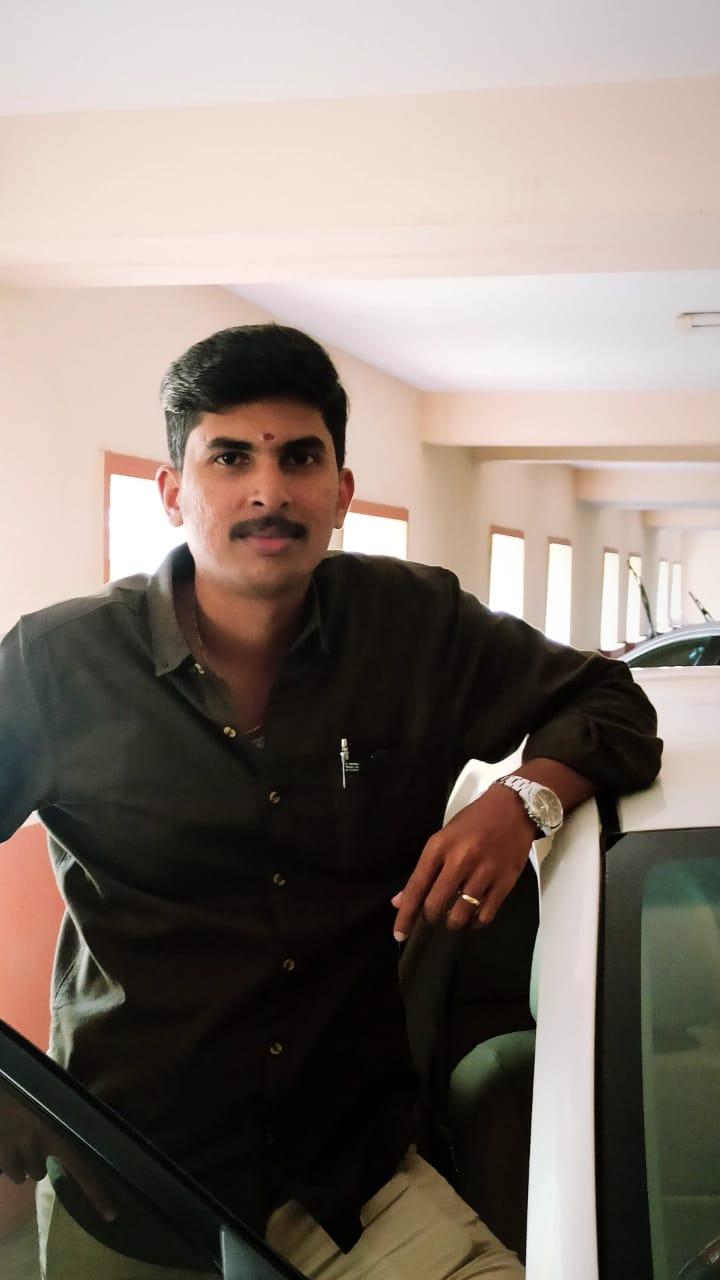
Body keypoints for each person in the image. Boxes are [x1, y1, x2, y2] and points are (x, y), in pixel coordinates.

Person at [0, 323, 662, 1279]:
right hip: (135, 1186)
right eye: (231, 457)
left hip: (354, 1178)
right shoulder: (60, 665)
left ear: (342, 491)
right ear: (173, 491)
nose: (269, 490)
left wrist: (523, 798)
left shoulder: (413, 628)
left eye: (300, 458)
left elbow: (610, 698)